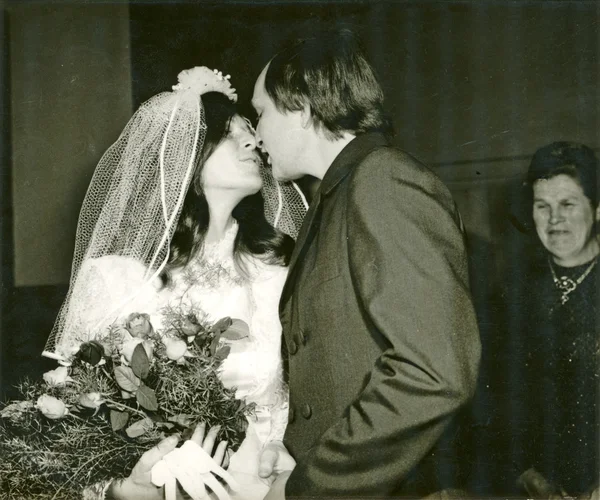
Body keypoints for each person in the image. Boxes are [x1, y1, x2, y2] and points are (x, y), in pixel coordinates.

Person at [42, 67, 306, 500]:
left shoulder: (279, 275)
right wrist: (124, 492)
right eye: (230, 132)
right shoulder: (117, 279)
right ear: (188, 155)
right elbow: (68, 437)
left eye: (251, 130)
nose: (253, 141)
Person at [252, 30, 481, 498]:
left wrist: (308, 486)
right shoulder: (339, 194)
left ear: (301, 106)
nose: (256, 134)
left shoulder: (381, 180)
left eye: (261, 112)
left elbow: (433, 374)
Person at [496, 141, 599, 498]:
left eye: (568, 204)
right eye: (543, 206)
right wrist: (524, 473)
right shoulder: (512, 294)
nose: (554, 219)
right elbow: (496, 406)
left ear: (597, 209)